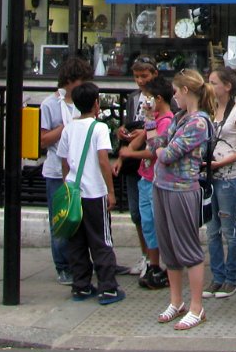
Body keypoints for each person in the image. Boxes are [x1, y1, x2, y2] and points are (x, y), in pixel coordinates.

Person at [152, 69, 217, 331]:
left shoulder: (199, 123)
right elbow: (158, 143)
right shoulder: (180, 117)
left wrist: (160, 149)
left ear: (186, 90)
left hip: (182, 189)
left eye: (176, 91)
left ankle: (196, 307)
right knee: (168, 247)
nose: (174, 96)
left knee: (188, 248)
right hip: (162, 185)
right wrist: (156, 138)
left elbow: (168, 153)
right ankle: (176, 301)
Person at [58, 81, 124, 305]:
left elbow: (64, 162)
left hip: (74, 193)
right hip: (94, 193)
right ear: (96, 104)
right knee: (101, 240)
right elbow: (103, 161)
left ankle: (81, 285)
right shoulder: (99, 128)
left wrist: (67, 185)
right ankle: (108, 287)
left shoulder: (69, 128)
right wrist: (111, 191)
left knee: (76, 242)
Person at [39, 55, 94, 285]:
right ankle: (63, 265)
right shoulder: (49, 105)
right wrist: (66, 127)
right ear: (70, 80)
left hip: (81, 169)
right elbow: (43, 139)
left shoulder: (84, 102)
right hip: (56, 170)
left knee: (81, 218)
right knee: (61, 218)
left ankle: (80, 262)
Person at [121, 76, 175, 291]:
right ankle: (153, 265)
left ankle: (169, 267)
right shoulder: (154, 119)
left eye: (150, 98)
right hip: (145, 177)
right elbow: (145, 138)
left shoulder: (167, 121)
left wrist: (130, 154)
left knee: (158, 222)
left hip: (157, 179)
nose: (146, 102)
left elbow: (154, 149)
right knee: (148, 223)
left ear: (159, 99)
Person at [205, 66, 236, 298]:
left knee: (229, 229)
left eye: (214, 83)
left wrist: (222, 163)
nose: (210, 86)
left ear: (227, 86)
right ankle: (217, 276)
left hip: (227, 177)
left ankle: (232, 278)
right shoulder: (210, 109)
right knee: (211, 230)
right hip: (210, 176)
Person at [115, 55, 159, 278]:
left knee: (152, 212)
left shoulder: (161, 97)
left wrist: (144, 132)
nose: (140, 81)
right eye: (137, 76)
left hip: (150, 157)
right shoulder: (133, 98)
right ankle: (145, 254)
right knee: (137, 213)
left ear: (154, 75)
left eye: (144, 76)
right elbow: (129, 122)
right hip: (133, 159)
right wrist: (123, 132)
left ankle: (155, 257)